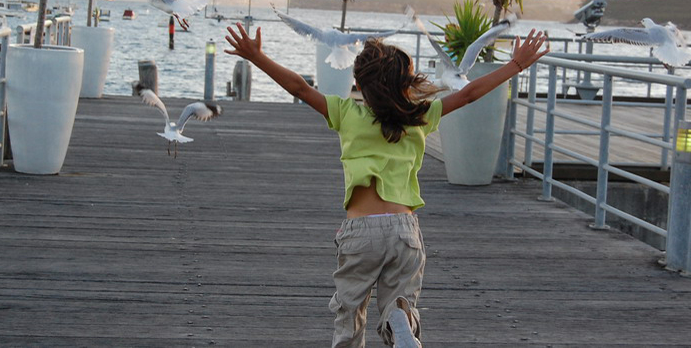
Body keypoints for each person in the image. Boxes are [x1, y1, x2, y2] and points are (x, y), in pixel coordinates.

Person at [224, 23, 549, 348]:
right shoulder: (420, 117)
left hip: (360, 230)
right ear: (405, 82)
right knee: (401, 299)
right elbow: (467, 94)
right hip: (404, 230)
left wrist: (257, 56)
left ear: (360, 84)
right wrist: (516, 65)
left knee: (350, 311)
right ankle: (400, 319)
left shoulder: (346, 112)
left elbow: (299, 88)